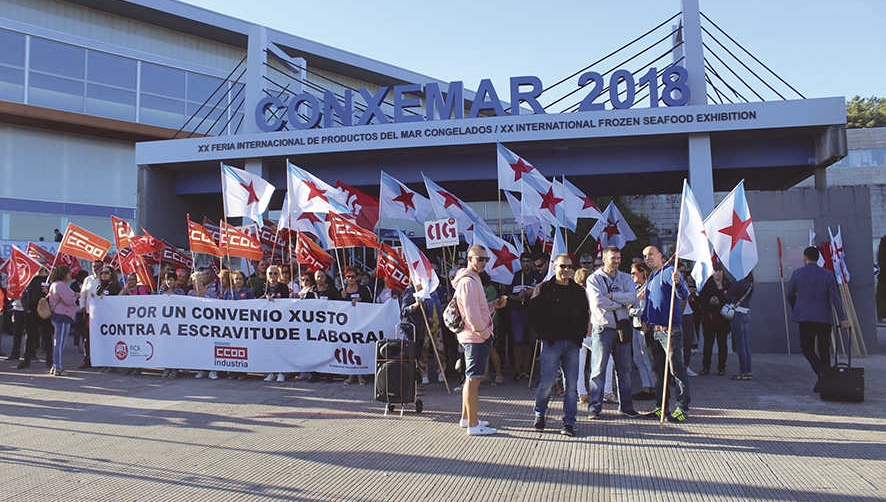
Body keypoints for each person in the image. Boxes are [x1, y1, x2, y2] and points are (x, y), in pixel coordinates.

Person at [528, 254, 589, 437]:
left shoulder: (578, 291)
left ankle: (569, 422)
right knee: (547, 382)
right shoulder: (543, 288)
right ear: (554, 267)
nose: (566, 270)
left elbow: (584, 315)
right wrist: (543, 334)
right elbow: (533, 314)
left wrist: (579, 337)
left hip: (572, 344)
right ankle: (540, 413)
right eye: (562, 266)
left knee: (571, 386)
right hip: (551, 343)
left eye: (570, 267)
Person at [452, 245, 507, 436]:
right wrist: (484, 333)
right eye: (480, 259)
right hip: (474, 337)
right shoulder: (468, 282)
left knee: (472, 379)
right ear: (470, 258)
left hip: (474, 335)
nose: (483, 263)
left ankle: (467, 418)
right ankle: (473, 424)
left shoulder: (472, 279)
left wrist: (493, 305)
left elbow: (477, 309)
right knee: (474, 380)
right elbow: (472, 314)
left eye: (486, 259)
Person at [586, 246, 639, 419]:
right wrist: (621, 302)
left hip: (623, 328)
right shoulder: (594, 279)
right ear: (604, 259)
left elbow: (632, 297)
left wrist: (612, 296)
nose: (616, 261)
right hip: (603, 329)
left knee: (624, 370)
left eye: (618, 258)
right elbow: (598, 302)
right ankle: (595, 406)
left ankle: (626, 406)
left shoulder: (625, 277)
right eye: (612, 258)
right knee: (598, 369)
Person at [786, 246, 849, 392]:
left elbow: (790, 294)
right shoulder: (827, 274)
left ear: (805, 257)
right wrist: (842, 318)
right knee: (824, 350)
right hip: (823, 318)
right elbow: (835, 298)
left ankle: (824, 374)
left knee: (807, 348)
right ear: (818, 258)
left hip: (805, 318)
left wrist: (796, 308)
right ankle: (824, 381)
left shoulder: (797, 274)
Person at [641, 245, 691, 422]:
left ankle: (682, 408)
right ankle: (661, 407)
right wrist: (644, 320)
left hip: (669, 330)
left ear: (660, 255)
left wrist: (678, 283)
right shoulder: (652, 277)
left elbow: (683, 293)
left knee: (676, 369)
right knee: (658, 371)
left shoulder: (669, 272)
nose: (648, 258)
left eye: (651, 255)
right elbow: (650, 303)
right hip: (653, 331)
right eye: (645, 256)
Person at [508, 252, 541, 381]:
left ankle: (527, 371)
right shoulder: (515, 276)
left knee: (529, 343)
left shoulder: (536, 276)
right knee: (517, 342)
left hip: (532, 312)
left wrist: (530, 293)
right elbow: (506, 294)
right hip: (517, 313)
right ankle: (517, 371)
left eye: (528, 261)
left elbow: (542, 292)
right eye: (524, 261)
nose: (526, 263)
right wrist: (517, 297)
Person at [628, 261, 657, 401]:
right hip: (635, 326)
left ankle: (653, 388)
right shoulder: (636, 288)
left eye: (634, 272)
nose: (632, 275)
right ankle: (646, 386)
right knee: (638, 358)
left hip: (644, 327)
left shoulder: (648, 288)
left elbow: (645, 309)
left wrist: (630, 310)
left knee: (647, 359)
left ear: (643, 273)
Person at [341, 266, 373, 385]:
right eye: (348, 277)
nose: (350, 279)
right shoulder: (342, 290)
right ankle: (350, 375)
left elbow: (370, 304)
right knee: (349, 349)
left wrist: (361, 300)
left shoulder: (363, 290)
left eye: (353, 277)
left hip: (361, 324)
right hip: (347, 326)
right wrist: (342, 298)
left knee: (359, 349)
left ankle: (360, 375)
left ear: (357, 278)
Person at [698, 264, 732, 376]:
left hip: (723, 320)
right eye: (715, 271)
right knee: (708, 344)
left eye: (719, 271)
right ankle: (705, 367)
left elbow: (729, 299)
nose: (717, 274)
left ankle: (722, 367)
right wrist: (709, 301)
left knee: (722, 344)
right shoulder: (707, 284)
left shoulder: (727, 284)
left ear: (722, 272)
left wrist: (720, 295)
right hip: (709, 319)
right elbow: (701, 300)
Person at [17, 267, 52, 370]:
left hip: (45, 312)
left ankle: (50, 361)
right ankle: (26, 360)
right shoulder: (30, 279)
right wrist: (26, 308)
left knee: (47, 336)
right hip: (31, 312)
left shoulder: (49, 280)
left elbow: (54, 295)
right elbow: (24, 295)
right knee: (29, 336)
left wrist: (48, 292)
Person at [47, 266, 77, 376]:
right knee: (59, 343)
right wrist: (75, 297)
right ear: (64, 274)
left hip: (58, 315)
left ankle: (55, 366)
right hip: (63, 315)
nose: (70, 275)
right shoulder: (61, 285)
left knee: (58, 342)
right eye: (69, 273)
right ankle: (57, 367)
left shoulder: (54, 284)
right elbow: (69, 301)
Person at [727, 272, 754, 380]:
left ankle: (743, 372)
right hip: (746, 313)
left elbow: (728, 295)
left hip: (737, 314)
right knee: (746, 345)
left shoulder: (738, 283)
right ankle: (749, 371)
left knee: (740, 345)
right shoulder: (750, 283)